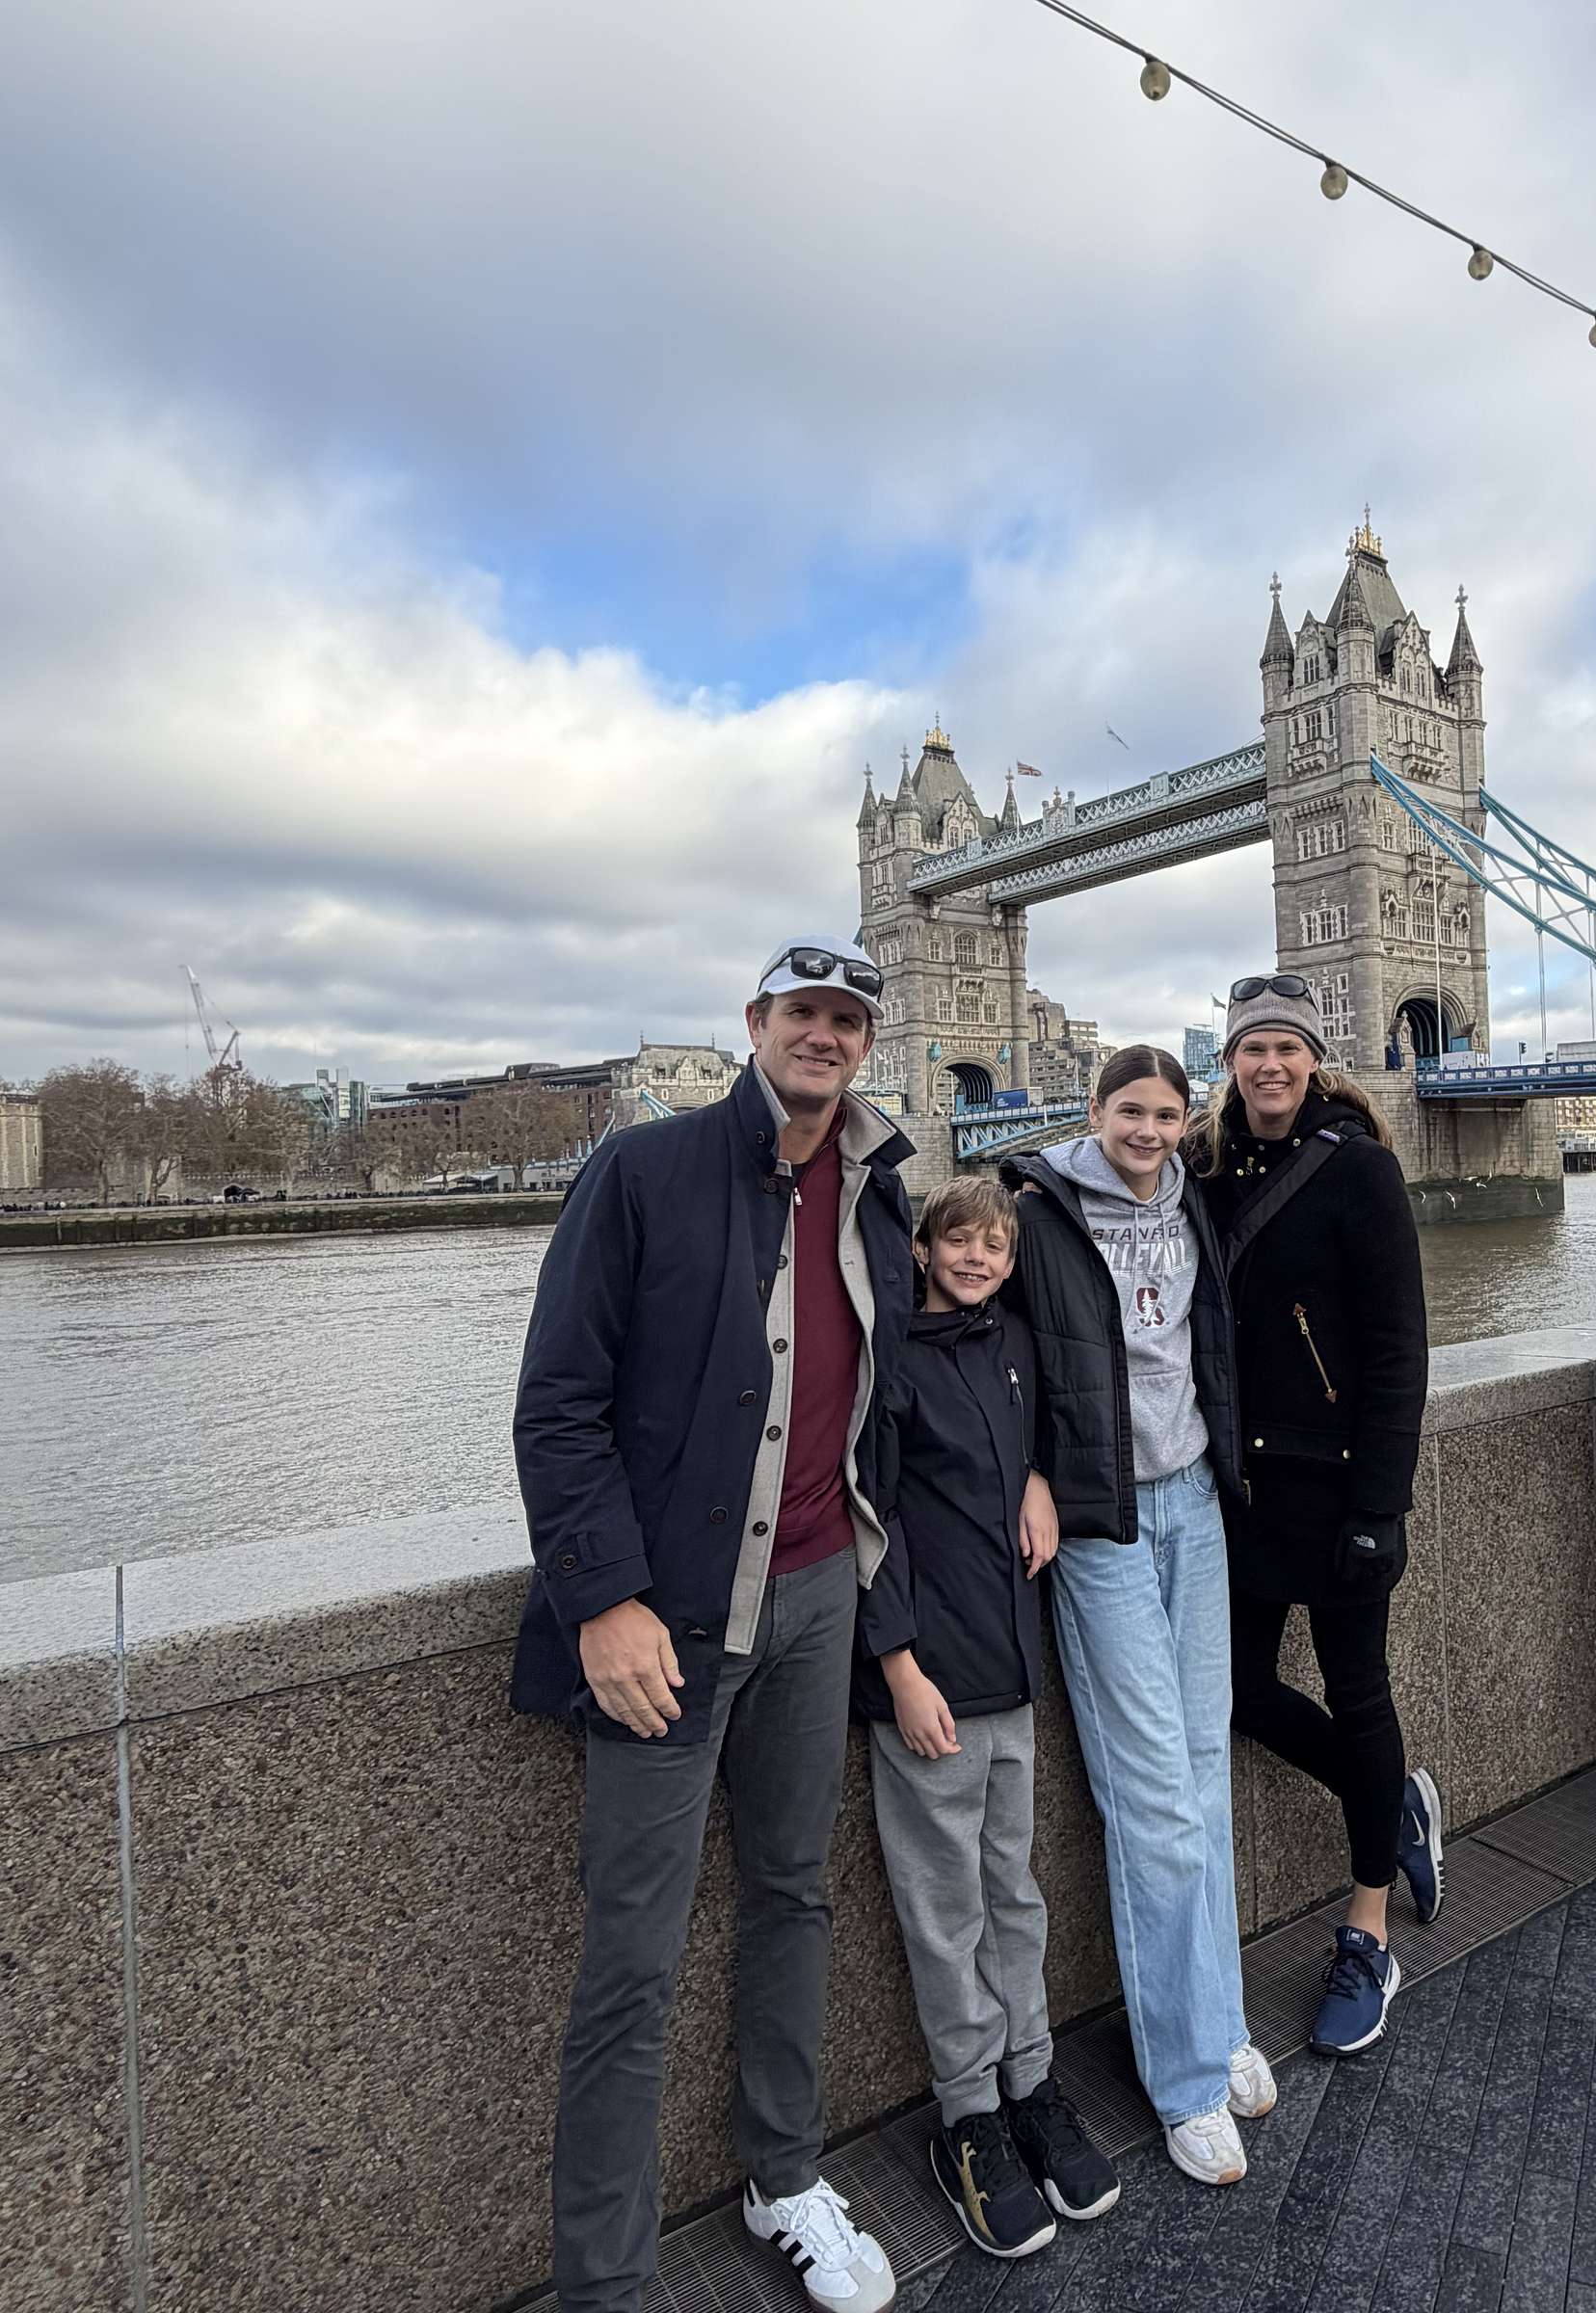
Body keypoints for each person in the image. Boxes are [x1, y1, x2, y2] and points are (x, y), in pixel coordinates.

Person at [512, 932, 912, 2313]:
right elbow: (557, 1403)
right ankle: (606, 2284)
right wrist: (602, 1600)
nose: (825, 1035)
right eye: (804, 1012)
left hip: (819, 1594)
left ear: (868, 1042)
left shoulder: (883, 1190)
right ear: (755, 1022)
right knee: (633, 1959)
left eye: (848, 1019)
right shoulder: (643, 1170)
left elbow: (900, 1394)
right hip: (670, 1621)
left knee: (794, 1896)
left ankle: (783, 2174)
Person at [998, 1047, 1272, 2188]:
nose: (1149, 1132)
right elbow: (995, 1352)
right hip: (1098, 1521)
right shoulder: (1037, 1212)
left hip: (1194, 1502)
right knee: (1153, 1800)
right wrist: (1028, 1474)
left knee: (1203, 1776)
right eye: (1130, 1112)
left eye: (1167, 1114)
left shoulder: (1194, 1199)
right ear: (1094, 1110)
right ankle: (1186, 2079)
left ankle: (1220, 2018)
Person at [856, 1177, 1120, 2260]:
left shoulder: (1010, 1340)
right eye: (959, 1240)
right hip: (930, 1680)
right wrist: (898, 1667)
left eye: (996, 1246)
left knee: (1015, 1892)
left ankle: (1033, 2085)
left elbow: (1036, 1437)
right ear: (922, 1248)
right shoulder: (887, 1359)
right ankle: (968, 2116)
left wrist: (1041, 1478)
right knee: (946, 1911)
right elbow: (867, 1517)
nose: (978, 1258)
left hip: (1013, 1667)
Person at [1187, 975, 1440, 2060]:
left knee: (1357, 1691)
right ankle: (1394, 1803)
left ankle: (1368, 1931)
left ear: (1313, 1058)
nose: (1271, 1065)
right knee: (1241, 1693)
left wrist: (1382, 1505)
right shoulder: (1203, 1165)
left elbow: (1398, 1348)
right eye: (1253, 1049)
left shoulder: (1360, 1168)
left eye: (1288, 1047)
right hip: (1239, 1488)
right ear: (1230, 1063)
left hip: (1338, 1490)